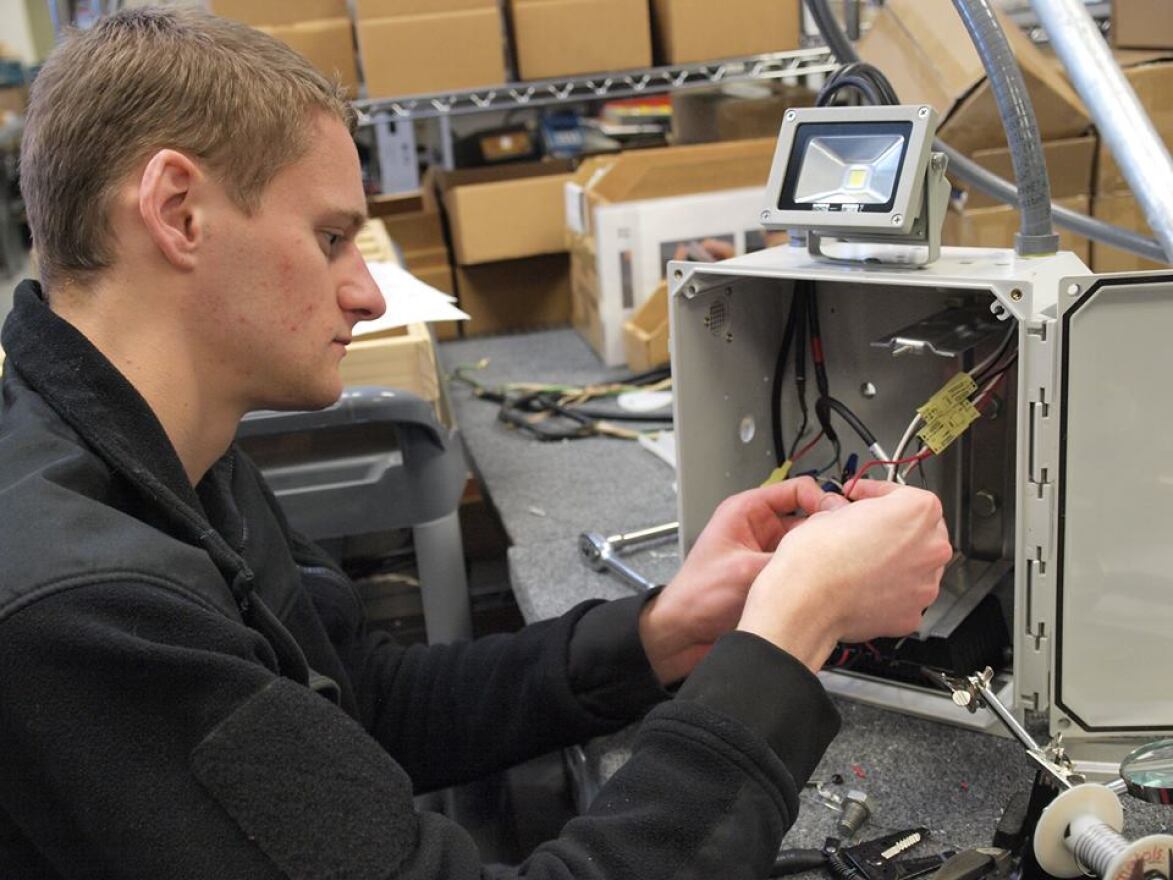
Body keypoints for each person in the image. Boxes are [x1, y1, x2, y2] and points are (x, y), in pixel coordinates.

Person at [0, 8, 952, 879]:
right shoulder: (86, 611)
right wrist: (788, 635)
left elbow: (365, 703)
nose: (367, 291)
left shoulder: (164, 459)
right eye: (331, 236)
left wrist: (666, 635)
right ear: (177, 212)